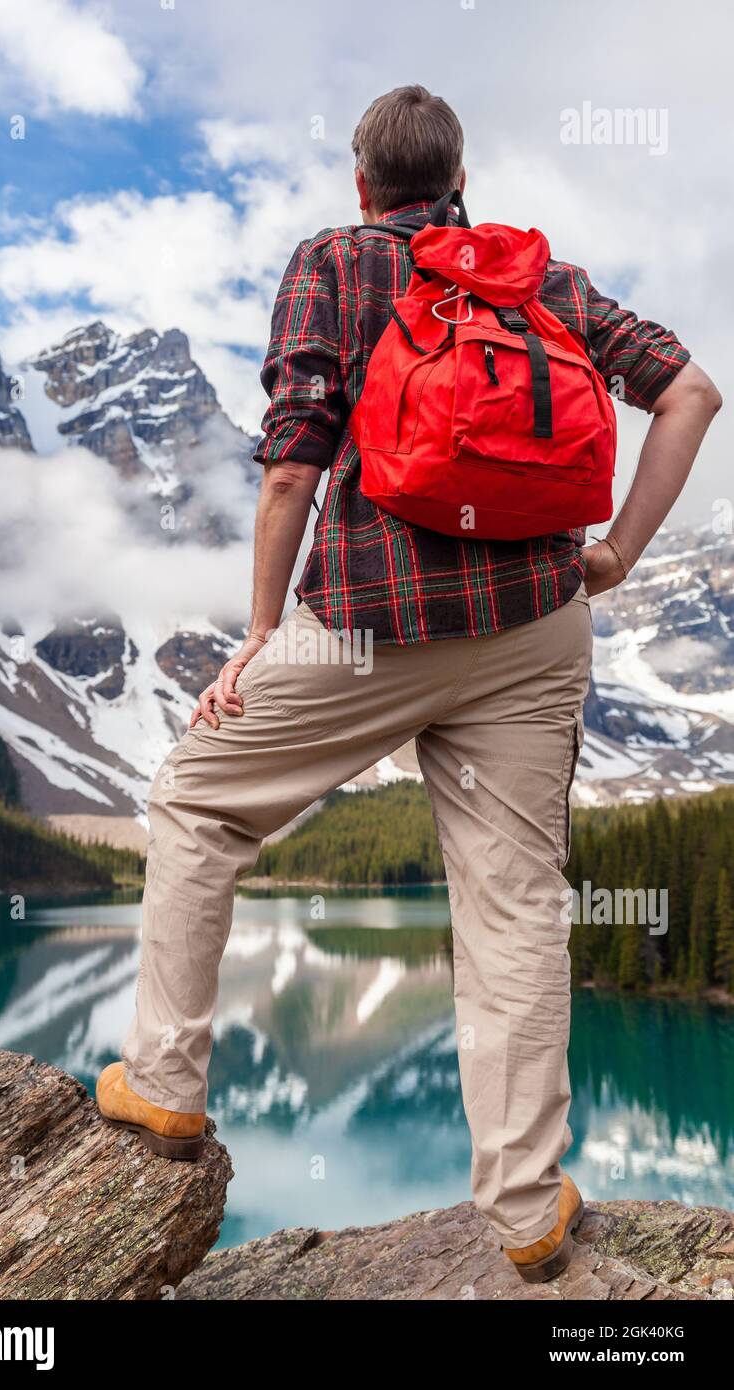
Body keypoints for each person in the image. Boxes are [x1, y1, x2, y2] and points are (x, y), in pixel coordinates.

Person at [98, 85, 721, 1282]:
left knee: (195, 800)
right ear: (460, 177)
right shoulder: (539, 277)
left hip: (365, 626)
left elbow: (293, 463)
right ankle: (529, 1208)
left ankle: (167, 1082)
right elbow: (691, 393)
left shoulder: (334, 259)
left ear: (360, 180)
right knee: (514, 909)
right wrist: (617, 555)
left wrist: (259, 632)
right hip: (538, 625)